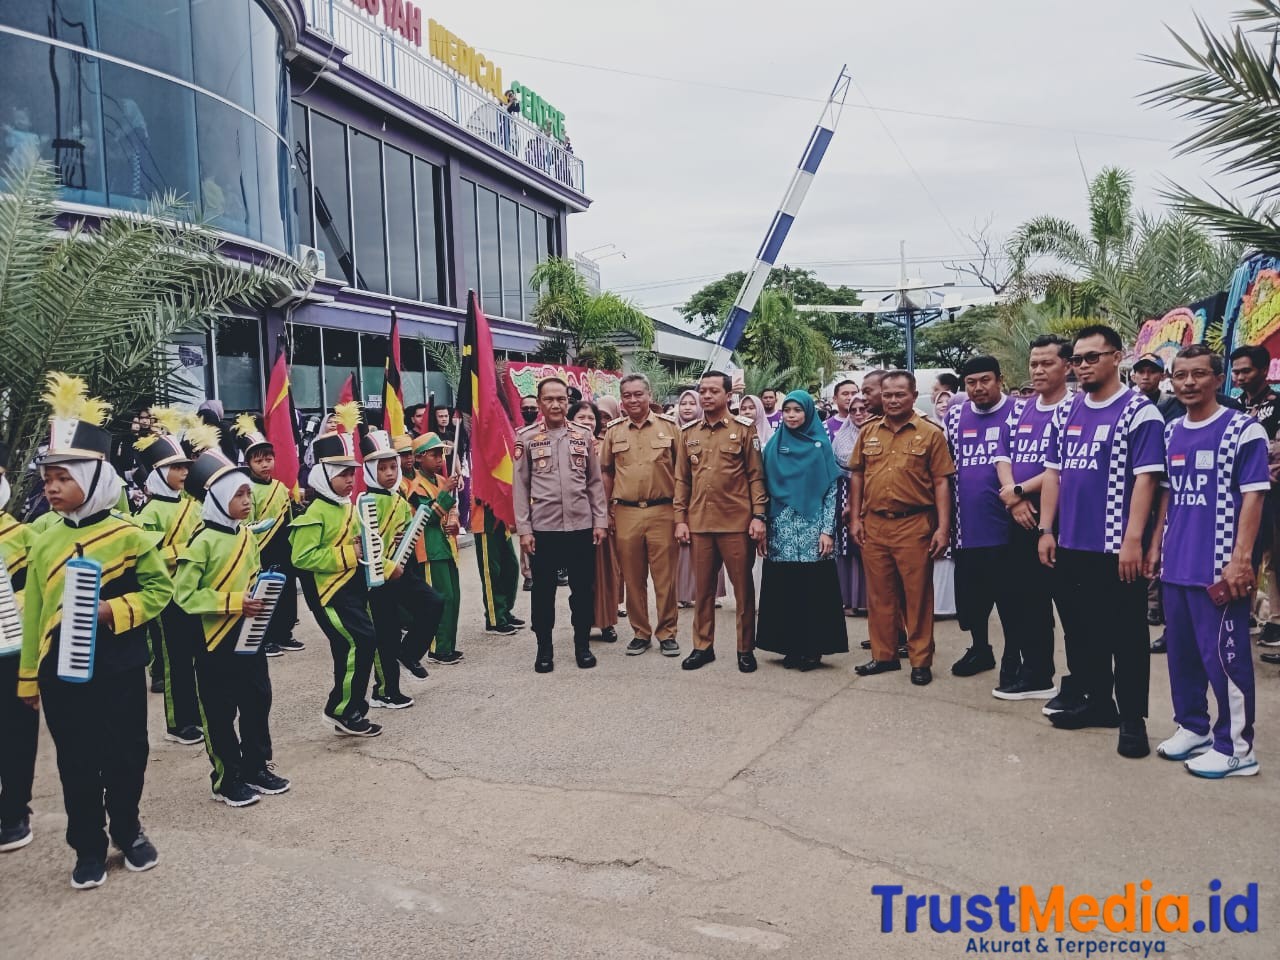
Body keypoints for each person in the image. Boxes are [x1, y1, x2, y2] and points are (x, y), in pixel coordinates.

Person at [19, 374, 171, 888]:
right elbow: (34, 613)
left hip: (120, 666)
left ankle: (128, 829)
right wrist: (28, 678)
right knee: (76, 760)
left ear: (94, 477)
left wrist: (115, 610)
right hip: (61, 673)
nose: (51, 488)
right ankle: (87, 845)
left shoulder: (131, 535)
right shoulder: (42, 540)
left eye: (63, 478)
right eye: (47, 479)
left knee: (128, 753)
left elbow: (160, 591)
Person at [1037, 325, 1165, 759]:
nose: (1084, 366)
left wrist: (1134, 540)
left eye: (1093, 357)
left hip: (1115, 547)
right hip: (1071, 545)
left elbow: (1147, 480)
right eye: (1078, 359)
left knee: (1126, 636)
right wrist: (1046, 530)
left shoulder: (1139, 412)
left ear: (1117, 357)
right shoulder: (1067, 411)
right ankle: (1097, 702)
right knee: (1080, 632)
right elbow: (1053, 474)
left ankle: (1132, 719)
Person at [1146, 345, 1268, 778]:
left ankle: (1237, 748)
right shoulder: (1170, 432)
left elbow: (1253, 497)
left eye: (1199, 374)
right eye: (1180, 375)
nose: (1189, 383)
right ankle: (1193, 727)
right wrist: (1157, 547)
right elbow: (1167, 494)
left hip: (1218, 568)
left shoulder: (1243, 430)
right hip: (1177, 565)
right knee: (1181, 655)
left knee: (1225, 659)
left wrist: (1241, 560)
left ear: (1219, 379)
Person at [176, 445, 289, 806]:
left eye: (247, 494)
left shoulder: (245, 535)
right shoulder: (202, 541)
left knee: (258, 699)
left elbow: (253, 575)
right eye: (239, 495)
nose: (246, 501)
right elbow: (184, 595)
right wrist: (233, 602)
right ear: (219, 498)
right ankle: (227, 778)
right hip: (214, 640)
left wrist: (261, 597)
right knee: (220, 709)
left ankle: (256, 766)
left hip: (249, 634)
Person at [848, 370, 954, 686]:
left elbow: (941, 482)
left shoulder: (930, 433)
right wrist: (855, 518)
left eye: (900, 395)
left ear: (913, 396)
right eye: (888, 395)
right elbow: (857, 475)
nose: (893, 400)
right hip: (875, 524)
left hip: (914, 524)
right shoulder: (869, 431)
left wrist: (943, 529)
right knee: (879, 594)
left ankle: (920, 660)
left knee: (917, 596)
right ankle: (884, 655)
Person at [290, 403, 382, 738]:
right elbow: (302, 558)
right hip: (329, 594)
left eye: (351, 473)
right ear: (324, 475)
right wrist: (349, 553)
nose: (349, 479)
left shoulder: (347, 507)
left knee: (357, 644)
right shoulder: (314, 513)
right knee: (359, 642)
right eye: (342, 474)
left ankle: (350, 707)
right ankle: (342, 709)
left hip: (351, 590)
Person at [674, 371, 768, 673]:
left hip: (736, 524)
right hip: (700, 524)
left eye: (713, 391)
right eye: (702, 390)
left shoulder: (744, 429)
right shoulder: (688, 433)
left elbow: (756, 476)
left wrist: (759, 516)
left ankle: (745, 649)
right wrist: (680, 519)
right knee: (703, 590)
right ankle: (703, 646)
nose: (706, 396)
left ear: (728, 395)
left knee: (743, 591)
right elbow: (682, 480)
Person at [995, 335, 1072, 701]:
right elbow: (1002, 457)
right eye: (1034, 364)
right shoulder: (1019, 409)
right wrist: (1014, 498)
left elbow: (1062, 466)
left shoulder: (1075, 409)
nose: (1038, 370)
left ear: (1067, 366)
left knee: (1069, 606)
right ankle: (1037, 674)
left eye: (1047, 363)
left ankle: (1081, 683)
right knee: (1027, 602)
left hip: (1059, 523)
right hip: (1020, 519)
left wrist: (1020, 491)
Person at [513, 377, 608, 672]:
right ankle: (544, 649)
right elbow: (520, 487)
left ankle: (582, 646)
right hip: (544, 530)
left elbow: (594, 483)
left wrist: (600, 521)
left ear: (568, 401)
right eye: (549, 399)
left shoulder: (583, 435)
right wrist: (524, 530)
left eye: (561, 399)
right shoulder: (527, 437)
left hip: (581, 527)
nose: (556, 405)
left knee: (582, 592)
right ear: (540, 403)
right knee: (543, 594)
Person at [756, 391, 848, 669]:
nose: (792, 415)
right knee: (785, 590)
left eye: (798, 410)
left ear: (808, 413)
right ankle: (790, 647)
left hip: (812, 531)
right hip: (781, 530)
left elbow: (831, 492)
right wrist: (763, 525)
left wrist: (827, 531)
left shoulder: (821, 447)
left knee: (813, 591)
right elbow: (762, 489)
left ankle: (813, 648)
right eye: (787, 410)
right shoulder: (773, 447)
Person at [944, 357, 1021, 684]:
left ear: (999, 380)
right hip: (967, 527)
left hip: (1008, 529)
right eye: (971, 382)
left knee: (1011, 600)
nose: (978, 387)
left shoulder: (1018, 412)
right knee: (972, 601)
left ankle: (1013, 656)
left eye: (985, 380)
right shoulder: (955, 416)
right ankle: (980, 649)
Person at [132, 423, 203, 745]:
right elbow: (145, 557)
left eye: (185, 466)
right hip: (168, 595)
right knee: (176, 660)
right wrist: (186, 551)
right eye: (175, 467)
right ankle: (179, 721)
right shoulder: (148, 513)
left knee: (197, 655)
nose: (184, 472)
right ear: (158, 473)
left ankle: (197, 712)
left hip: (194, 591)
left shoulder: (194, 505)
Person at [600, 374, 681, 658]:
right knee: (633, 578)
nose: (633, 400)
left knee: (665, 578)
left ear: (649, 395)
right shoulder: (614, 431)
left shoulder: (670, 428)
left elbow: (683, 473)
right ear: (621, 400)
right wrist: (606, 511)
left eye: (638, 394)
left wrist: (682, 514)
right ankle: (640, 632)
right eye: (627, 395)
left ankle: (667, 633)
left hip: (663, 510)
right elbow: (606, 473)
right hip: (626, 512)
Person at [358, 426, 422, 709]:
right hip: (374, 579)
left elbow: (404, 532)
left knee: (428, 606)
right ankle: (385, 690)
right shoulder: (363, 502)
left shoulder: (398, 499)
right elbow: (363, 543)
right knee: (383, 634)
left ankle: (407, 656)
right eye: (381, 468)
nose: (389, 473)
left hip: (397, 573)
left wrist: (403, 538)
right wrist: (386, 564)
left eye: (392, 467)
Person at [234, 415, 303, 657]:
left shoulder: (280, 487)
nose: (265, 465)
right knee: (263, 594)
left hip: (283, 547)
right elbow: (246, 522)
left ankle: (284, 633)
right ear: (248, 463)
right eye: (259, 461)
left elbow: (289, 517)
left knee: (286, 593)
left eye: (268, 459)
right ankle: (266, 638)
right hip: (261, 549)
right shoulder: (248, 490)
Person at [1227, 345, 1280, 654]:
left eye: (1245, 370)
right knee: (1246, 552)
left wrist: (1260, 474)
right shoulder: (1234, 406)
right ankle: (1243, 615)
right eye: (1235, 372)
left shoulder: (1277, 404)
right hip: (1242, 494)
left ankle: (1275, 621)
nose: (1239, 377)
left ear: (1263, 369)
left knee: (1275, 557)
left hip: (1273, 492)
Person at [0, 443, 37, 852]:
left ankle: (14, 809)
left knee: (15, 732)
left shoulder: (23, 536)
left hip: (11, 650)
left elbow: (36, 591)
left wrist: (11, 606)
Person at [408, 433, 463, 665]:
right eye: (434, 454)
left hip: (446, 546)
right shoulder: (416, 486)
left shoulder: (441, 480)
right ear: (419, 458)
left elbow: (453, 509)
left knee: (453, 597)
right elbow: (427, 517)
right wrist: (445, 493)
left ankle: (447, 645)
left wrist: (454, 522)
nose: (440, 459)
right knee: (439, 598)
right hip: (429, 549)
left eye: (441, 454)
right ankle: (436, 648)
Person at [571, 401, 620, 644]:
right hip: (574, 519)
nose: (587, 422)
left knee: (605, 574)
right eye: (581, 417)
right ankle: (582, 623)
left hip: (603, 517)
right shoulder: (565, 444)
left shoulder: (605, 445)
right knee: (581, 576)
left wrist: (609, 512)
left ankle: (606, 622)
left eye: (591, 418)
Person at [673, 389, 727, 608]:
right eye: (683, 403)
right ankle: (683, 594)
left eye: (691, 403)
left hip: (710, 499)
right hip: (681, 496)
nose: (687, 407)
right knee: (683, 549)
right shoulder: (672, 431)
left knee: (711, 548)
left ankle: (711, 594)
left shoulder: (713, 430)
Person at [831, 403, 866, 617]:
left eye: (863, 409)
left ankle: (870, 602)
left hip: (874, 496)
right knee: (847, 548)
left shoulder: (877, 435)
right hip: (844, 494)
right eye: (854, 410)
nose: (859, 413)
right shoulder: (841, 438)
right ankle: (849, 600)